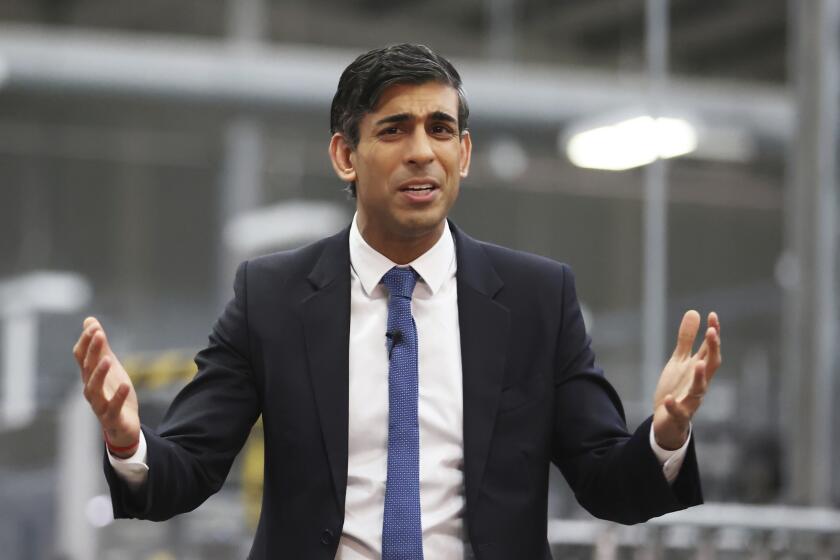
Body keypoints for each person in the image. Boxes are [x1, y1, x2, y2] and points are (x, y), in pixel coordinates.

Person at [72, 44, 722, 560]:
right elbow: (187, 469)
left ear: (463, 154)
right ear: (344, 155)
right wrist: (131, 444)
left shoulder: (536, 299)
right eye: (395, 129)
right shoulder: (271, 296)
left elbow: (608, 483)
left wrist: (665, 434)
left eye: (441, 130)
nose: (422, 152)